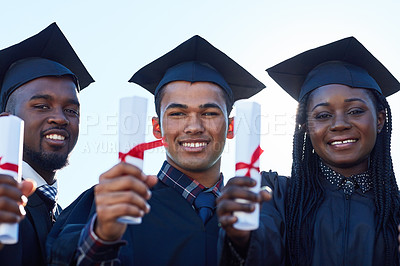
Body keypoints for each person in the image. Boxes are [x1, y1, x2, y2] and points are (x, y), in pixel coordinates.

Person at [46, 35, 265, 265]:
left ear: (230, 127)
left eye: (209, 113)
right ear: (157, 128)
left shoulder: (258, 214)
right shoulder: (108, 203)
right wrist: (102, 236)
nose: (193, 127)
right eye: (177, 114)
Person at [217, 36, 400, 266]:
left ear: (381, 119)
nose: (339, 124)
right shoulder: (275, 195)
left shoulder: (395, 210)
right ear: (306, 127)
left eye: (355, 111)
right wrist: (241, 238)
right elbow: (261, 250)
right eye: (323, 115)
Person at [0, 23, 94, 266]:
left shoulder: (69, 217)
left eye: (71, 110)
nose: (60, 118)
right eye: (41, 106)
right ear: (6, 122)